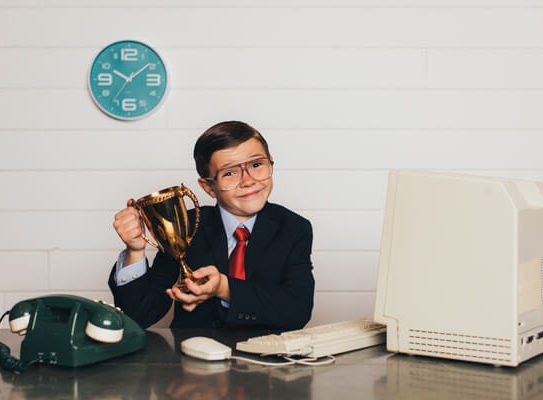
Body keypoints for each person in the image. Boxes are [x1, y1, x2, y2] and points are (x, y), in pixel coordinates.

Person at [108, 121, 315, 330]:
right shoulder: (185, 226)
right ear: (208, 187)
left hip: (267, 358)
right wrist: (135, 251)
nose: (248, 181)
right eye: (229, 173)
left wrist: (225, 288)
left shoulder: (294, 228)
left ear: (270, 163)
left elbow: (297, 311)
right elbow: (139, 316)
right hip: (193, 357)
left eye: (256, 165)